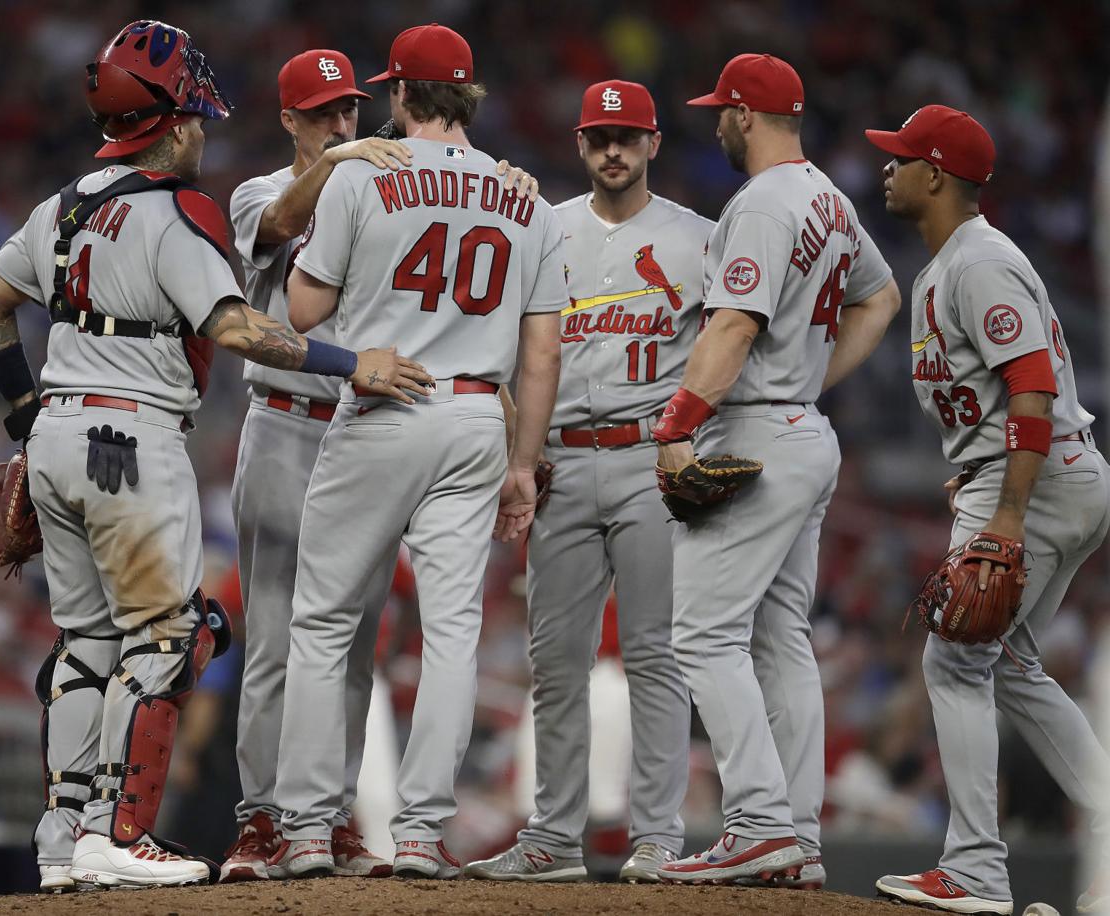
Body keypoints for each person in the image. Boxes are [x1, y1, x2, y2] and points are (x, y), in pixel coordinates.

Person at [0, 20, 429, 892]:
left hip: (60, 432)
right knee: (173, 633)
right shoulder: (178, 208)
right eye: (198, 120)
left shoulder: (59, 205)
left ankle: (63, 836)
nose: (203, 133)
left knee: (87, 641)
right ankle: (122, 832)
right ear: (173, 125)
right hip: (130, 438)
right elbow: (238, 328)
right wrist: (349, 361)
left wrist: (26, 411)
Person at [221, 48, 535, 882]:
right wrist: (349, 163)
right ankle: (264, 817)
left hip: (380, 421)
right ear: (288, 119)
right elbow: (283, 227)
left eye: (348, 108)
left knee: (352, 640)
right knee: (281, 639)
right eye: (320, 111)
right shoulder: (266, 189)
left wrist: (454, 177)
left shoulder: (384, 174)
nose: (338, 121)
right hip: (292, 423)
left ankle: (331, 821)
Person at [651, 53, 900, 886]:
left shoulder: (762, 202)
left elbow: (731, 330)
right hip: (802, 431)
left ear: (747, 116)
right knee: (780, 638)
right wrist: (809, 385)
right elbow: (882, 296)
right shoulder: (830, 195)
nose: (716, 122)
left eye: (722, 110)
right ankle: (796, 837)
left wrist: (677, 425)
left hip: (756, 432)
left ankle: (758, 822)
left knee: (705, 636)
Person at [866, 105, 1110, 916]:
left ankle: (974, 867)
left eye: (900, 159)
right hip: (1031, 472)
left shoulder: (978, 263)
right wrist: (978, 464)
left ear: (935, 174)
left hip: (1034, 481)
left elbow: (1033, 386)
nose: (887, 170)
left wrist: (1006, 510)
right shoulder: (951, 264)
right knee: (1007, 665)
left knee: (953, 661)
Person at [465, 79, 709, 884]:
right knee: (557, 660)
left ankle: (659, 838)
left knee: (654, 655)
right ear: (579, 144)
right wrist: (520, 448)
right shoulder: (543, 231)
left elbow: (734, 347)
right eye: (600, 136)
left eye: (628, 137)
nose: (613, 150)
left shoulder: (700, 238)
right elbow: (499, 350)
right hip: (560, 461)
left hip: (650, 458)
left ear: (653, 145)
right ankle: (553, 839)